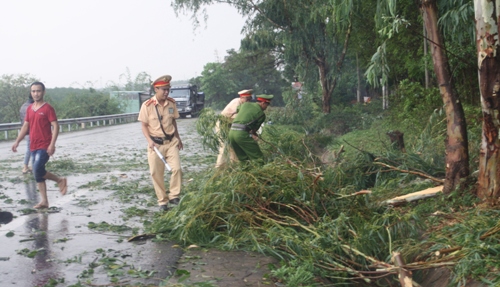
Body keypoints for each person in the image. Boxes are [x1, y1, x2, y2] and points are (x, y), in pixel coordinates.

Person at [11, 82, 68, 209]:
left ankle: (59, 181)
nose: (36, 93)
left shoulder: (48, 108)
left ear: (43, 92)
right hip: (33, 145)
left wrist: (52, 144)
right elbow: (25, 126)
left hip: (45, 145)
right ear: (31, 93)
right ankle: (45, 200)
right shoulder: (30, 109)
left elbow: (55, 126)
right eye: (33, 91)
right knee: (38, 172)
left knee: (36, 169)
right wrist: (17, 141)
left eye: (38, 91)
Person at [138, 75, 183, 211]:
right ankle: (162, 202)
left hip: (171, 142)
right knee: (155, 173)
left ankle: (174, 196)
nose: (166, 92)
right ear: (156, 89)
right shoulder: (147, 106)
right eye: (163, 89)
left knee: (176, 169)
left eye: (168, 89)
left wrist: (178, 138)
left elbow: (173, 121)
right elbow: (144, 125)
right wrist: (149, 141)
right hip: (156, 145)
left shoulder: (171, 103)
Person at [229, 94, 273, 162]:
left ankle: (245, 171)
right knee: (258, 157)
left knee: (243, 158)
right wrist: (255, 135)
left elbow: (237, 109)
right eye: (267, 105)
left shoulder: (245, 104)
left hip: (231, 133)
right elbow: (253, 130)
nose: (266, 107)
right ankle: (261, 171)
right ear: (263, 103)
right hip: (241, 135)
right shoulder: (261, 114)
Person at [215, 89, 253, 168]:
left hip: (231, 125)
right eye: (247, 99)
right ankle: (219, 167)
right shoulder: (236, 103)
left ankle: (234, 165)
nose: (248, 101)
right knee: (224, 146)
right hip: (223, 125)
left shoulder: (244, 105)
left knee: (234, 145)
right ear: (242, 98)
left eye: (250, 99)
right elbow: (235, 120)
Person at [19, 94, 35, 174]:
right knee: (31, 149)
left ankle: (30, 166)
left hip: (26, 131)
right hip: (32, 130)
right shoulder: (32, 106)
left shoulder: (23, 106)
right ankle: (26, 167)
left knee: (30, 149)